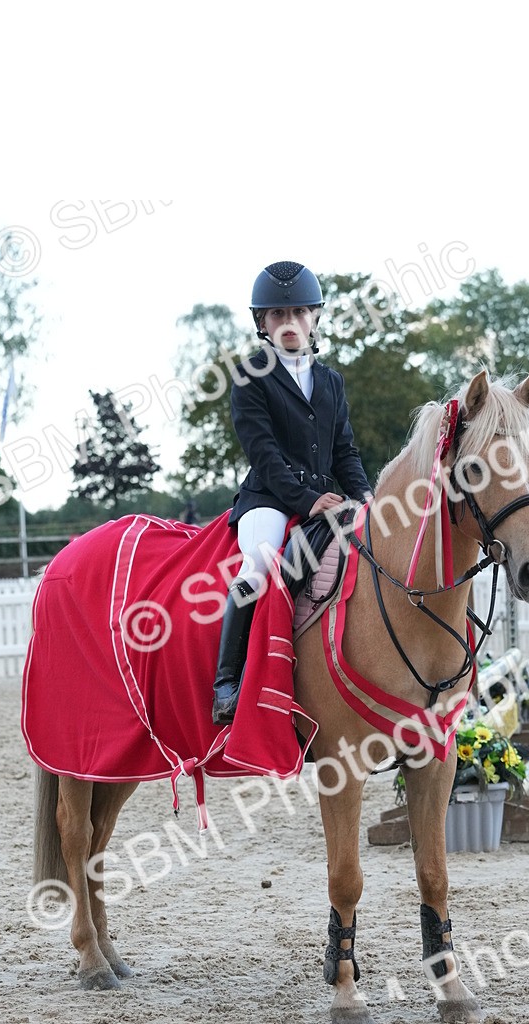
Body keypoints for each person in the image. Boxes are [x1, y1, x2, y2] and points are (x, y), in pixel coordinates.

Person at [212, 260, 373, 725]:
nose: (289, 322)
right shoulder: (249, 376)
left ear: (315, 317)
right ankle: (228, 680)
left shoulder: (331, 382)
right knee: (260, 563)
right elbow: (263, 455)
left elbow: (345, 450)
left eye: (299, 312)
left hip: (328, 505)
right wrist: (307, 501)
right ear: (262, 322)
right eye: (278, 315)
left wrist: (364, 496)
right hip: (270, 501)